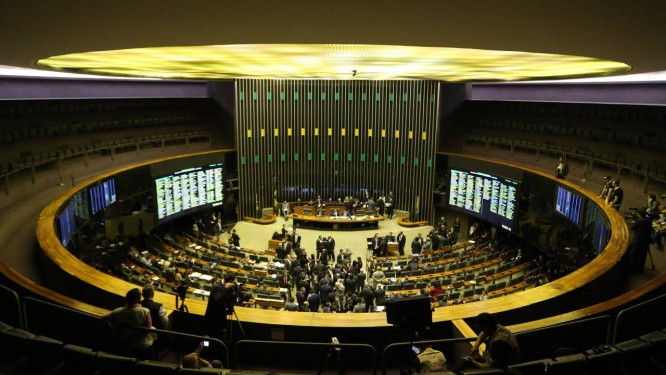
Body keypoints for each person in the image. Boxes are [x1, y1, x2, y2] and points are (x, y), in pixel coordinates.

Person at [104, 288, 156, 359]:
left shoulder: (117, 311)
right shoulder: (145, 311)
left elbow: (103, 319)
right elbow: (148, 330)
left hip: (124, 346)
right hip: (143, 347)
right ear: (138, 299)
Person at [204, 274, 237, 341]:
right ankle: (205, 350)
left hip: (220, 319)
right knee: (208, 339)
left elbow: (230, 301)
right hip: (212, 320)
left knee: (219, 339)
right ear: (230, 282)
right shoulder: (217, 287)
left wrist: (234, 291)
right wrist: (226, 288)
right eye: (234, 283)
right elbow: (219, 300)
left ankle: (217, 350)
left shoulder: (227, 288)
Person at [629, 208, 653, 273]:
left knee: (634, 255)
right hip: (646, 241)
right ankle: (640, 269)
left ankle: (633, 270)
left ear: (639, 215)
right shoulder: (649, 221)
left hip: (638, 241)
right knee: (643, 256)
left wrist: (634, 221)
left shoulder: (639, 221)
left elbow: (632, 228)